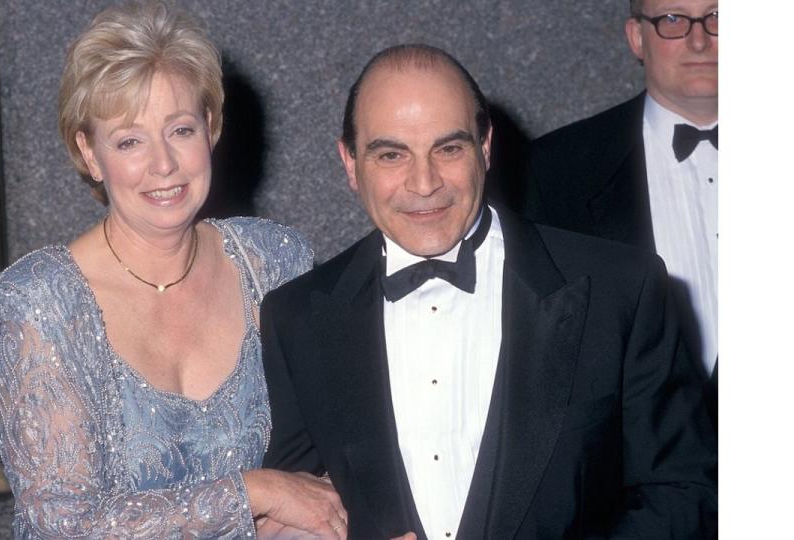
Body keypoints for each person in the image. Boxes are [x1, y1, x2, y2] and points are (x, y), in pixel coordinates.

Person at [260, 44, 716, 539]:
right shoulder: (297, 318)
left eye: (448, 148)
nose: (425, 182)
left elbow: (684, 492)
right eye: (391, 154)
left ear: (485, 147)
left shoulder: (620, 288)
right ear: (350, 162)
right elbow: (296, 512)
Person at [0, 1, 348, 537]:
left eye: (180, 130)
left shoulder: (274, 262)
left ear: (211, 127)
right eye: (129, 140)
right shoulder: (37, 303)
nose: (164, 164)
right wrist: (256, 491)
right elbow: (63, 528)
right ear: (88, 152)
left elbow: (329, 458)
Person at [525, 0, 718, 422]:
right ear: (636, 37)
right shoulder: (552, 172)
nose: (701, 40)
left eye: (720, 17)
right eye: (673, 19)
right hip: (630, 478)